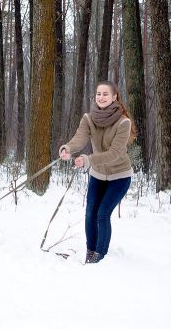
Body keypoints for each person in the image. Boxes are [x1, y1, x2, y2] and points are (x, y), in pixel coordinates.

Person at [59, 81, 136, 264]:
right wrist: (68, 148)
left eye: (105, 94)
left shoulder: (124, 122)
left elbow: (115, 153)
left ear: (114, 97)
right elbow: (80, 138)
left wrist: (88, 160)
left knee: (102, 213)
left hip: (120, 176)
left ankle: (100, 256)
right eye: (98, 94)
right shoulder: (88, 118)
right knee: (90, 213)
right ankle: (90, 251)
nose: (101, 97)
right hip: (98, 175)